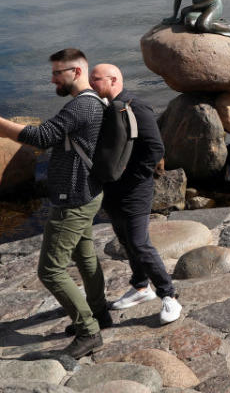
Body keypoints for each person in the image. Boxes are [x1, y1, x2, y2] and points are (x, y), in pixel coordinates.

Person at [0, 48, 110, 359]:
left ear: (76, 72)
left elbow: (41, 136)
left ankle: (89, 331)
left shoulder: (81, 107)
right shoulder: (93, 103)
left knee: (50, 270)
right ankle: (100, 313)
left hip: (74, 198)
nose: (51, 80)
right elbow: (48, 135)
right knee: (85, 255)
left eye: (56, 73)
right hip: (87, 192)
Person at [89, 63, 181, 324]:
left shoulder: (135, 106)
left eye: (96, 79)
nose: (91, 84)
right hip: (113, 189)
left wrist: (134, 177)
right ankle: (141, 288)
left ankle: (170, 295)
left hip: (135, 190)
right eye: (90, 79)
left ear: (114, 79)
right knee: (125, 240)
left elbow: (155, 148)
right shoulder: (107, 107)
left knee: (140, 243)